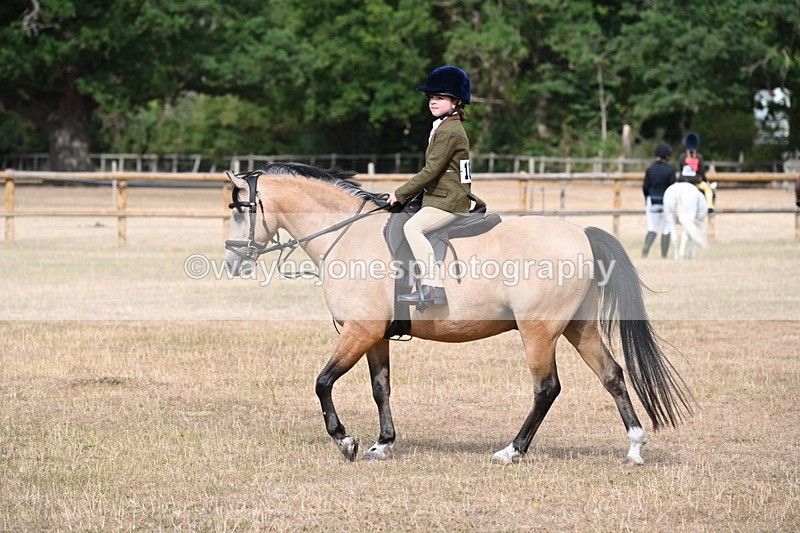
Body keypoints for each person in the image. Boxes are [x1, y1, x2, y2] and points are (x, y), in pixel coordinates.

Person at [388, 65, 482, 310]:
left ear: (456, 101)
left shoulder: (450, 131)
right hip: (442, 196)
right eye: (431, 97)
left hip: (448, 200)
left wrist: (400, 194)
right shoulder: (444, 127)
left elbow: (430, 171)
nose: (433, 101)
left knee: (413, 228)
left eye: (439, 97)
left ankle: (432, 287)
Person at [642, 143, 676, 258]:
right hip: (666, 203)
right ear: (667, 156)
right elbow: (672, 188)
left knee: (652, 228)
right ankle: (664, 256)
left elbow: (645, 187)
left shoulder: (650, 170)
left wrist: (647, 198)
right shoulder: (671, 170)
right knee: (666, 229)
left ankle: (645, 252)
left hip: (652, 201)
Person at [677, 132, 715, 212]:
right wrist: (706, 180)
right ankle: (709, 206)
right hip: (695, 181)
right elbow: (702, 171)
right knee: (708, 189)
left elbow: (680, 168)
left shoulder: (682, 157)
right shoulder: (699, 157)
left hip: (682, 180)